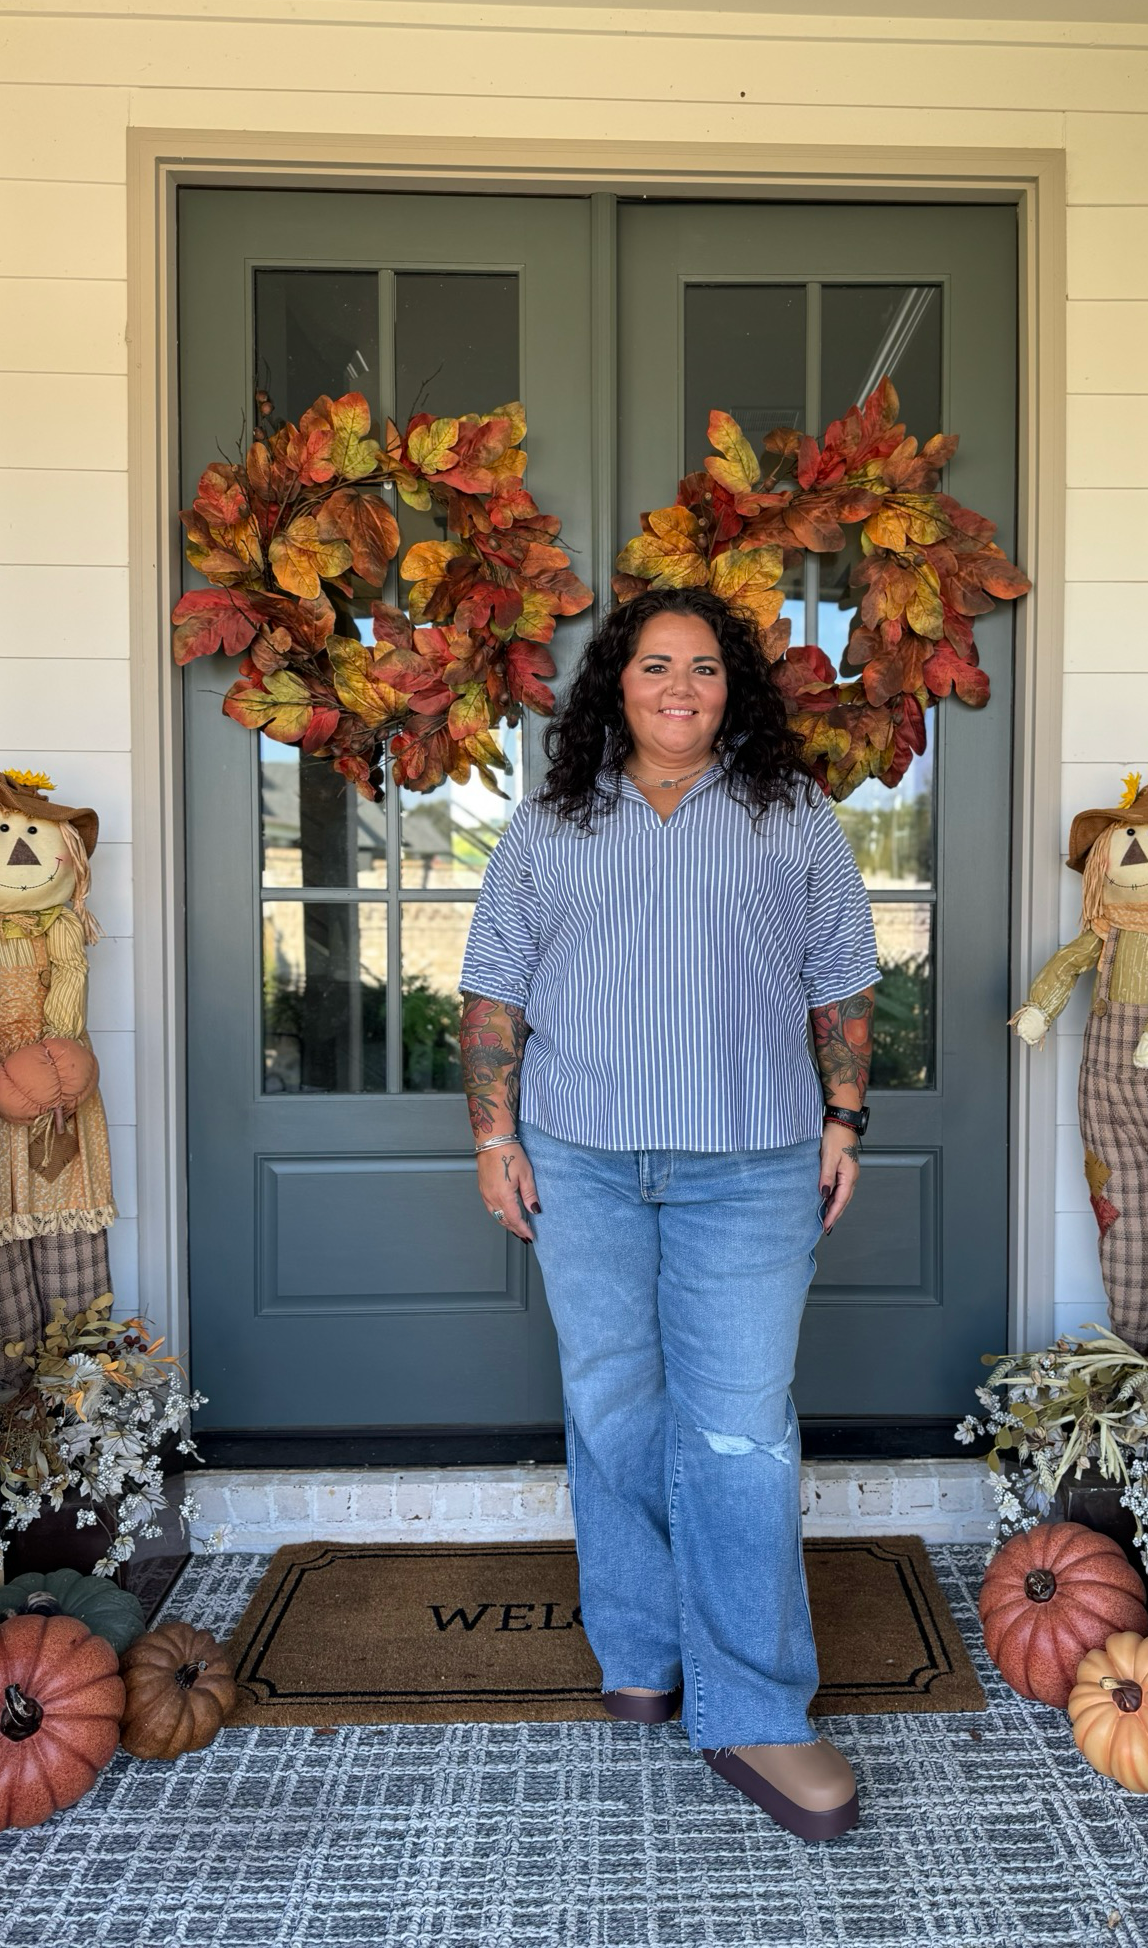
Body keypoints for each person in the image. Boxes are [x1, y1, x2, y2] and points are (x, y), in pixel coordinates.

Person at [458, 584, 879, 1842]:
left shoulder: (792, 814)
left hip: (750, 1167)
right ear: (618, 687)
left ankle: (755, 1703)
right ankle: (640, 1648)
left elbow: (843, 982)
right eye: (655, 665)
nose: (681, 685)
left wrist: (844, 1118)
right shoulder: (550, 822)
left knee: (740, 1426)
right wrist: (493, 1136)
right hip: (577, 1159)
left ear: (732, 687)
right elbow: (493, 993)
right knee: (611, 1403)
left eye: (704, 665)